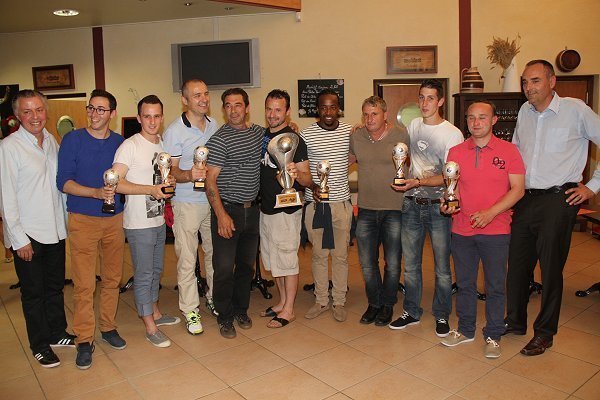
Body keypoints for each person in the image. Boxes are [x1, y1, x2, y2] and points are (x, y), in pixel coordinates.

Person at [505, 60, 600, 356]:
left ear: (551, 81)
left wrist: (592, 187)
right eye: (524, 82)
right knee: (518, 265)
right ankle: (515, 321)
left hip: (558, 200)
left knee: (550, 269)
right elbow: (517, 152)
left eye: (535, 81)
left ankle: (545, 333)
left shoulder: (576, 110)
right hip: (525, 198)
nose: (528, 88)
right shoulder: (524, 111)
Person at [440, 101, 525, 358]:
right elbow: (450, 189)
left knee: (495, 285)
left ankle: (494, 334)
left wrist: (491, 213)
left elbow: (518, 190)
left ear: (494, 120)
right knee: (465, 284)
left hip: (496, 229)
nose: (476, 123)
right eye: (471, 118)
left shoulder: (509, 151)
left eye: (482, 117)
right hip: (462, 228)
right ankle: (466, 329)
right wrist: (446, 204)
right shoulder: (455, 151)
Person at [57, 89, 129, 370]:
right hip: (83, 220)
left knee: (112, 279)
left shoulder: (121, 143)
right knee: (84, 284)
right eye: (91, 108)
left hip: (114, 220)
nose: (95, 114)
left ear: (112, 113)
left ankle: (108, 327)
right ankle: (84, 340)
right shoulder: (72, 140)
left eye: (101, 110)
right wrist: (95, 193)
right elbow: (64, 182)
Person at [0, 89, 73, 368]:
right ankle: (40, 344)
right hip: (28, 234)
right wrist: (19, 240)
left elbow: (57, 186)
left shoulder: (52, 140)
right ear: (17, 116)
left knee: (54, 287)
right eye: (27, 112)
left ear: (46, 112)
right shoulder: (9, 148)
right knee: (33, 293)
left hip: (54, 228)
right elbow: (6, 198)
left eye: (39, 110)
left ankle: (57, 332)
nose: (34, 116)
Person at [389, 79, 463, 336]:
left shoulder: (452, 134)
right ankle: (412, 311)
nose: (424, 103)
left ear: (441, 101)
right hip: (411, 205)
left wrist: (418, 181)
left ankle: (442, 315)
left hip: (438, 207)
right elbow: (401, 155)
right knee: (411, 265)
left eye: (430, 98)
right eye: (421, 97)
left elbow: (449, 175)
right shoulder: (413, 125)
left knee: (442, 268)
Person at [112, 95, 178, 348]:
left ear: (162, 117)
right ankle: (149, 325)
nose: (152, 121)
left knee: (157, 271)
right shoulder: (130, 146)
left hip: (158, 218)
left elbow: (161, 178)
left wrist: (166, 185)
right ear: (139, 118)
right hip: (139, 222)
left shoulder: (161, 144)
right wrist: (150, 190)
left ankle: (157, 313)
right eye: (147, 116)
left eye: (157, 116)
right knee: (144, 273)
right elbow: (116, 183)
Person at [205, 88, 263, 339]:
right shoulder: (219, 140)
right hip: (228, 210)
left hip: (253, 211)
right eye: (227, 106)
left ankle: (241, 310)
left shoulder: (258, 134)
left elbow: (283, 135)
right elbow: (210, 181)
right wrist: (221, 215)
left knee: (246, 267)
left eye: (237, 105)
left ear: (247, 107)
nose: (233, 110)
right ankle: (225, 316)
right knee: (224, 267)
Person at [163, 79, 217, 335]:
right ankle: (190, 310)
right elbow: (170, 171)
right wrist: (190, 174)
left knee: (215, 254)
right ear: (185, 100)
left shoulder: (214, 124)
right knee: (187, 259)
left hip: (212, 200)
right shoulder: (174, 131)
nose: (204, 99)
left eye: (205, 94)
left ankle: (213, 297)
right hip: (186, 203)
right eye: (197, 95)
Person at [349, 96, 409, 326]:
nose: (369, 118)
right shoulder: (357, 136)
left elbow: (412, 164)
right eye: (365, 114)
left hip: (394, 209)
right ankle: (374, 303)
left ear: (385, 115)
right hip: (365, 209)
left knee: (392, 263)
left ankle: (388, 304)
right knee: (367, 263)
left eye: (374, 114)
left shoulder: (400, 136)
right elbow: (347, 160)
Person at [258, 89, 311, 328]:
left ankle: (289, 309)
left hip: (286, 210)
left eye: (278, 110)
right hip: (265, 208)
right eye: (269, 109)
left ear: (287, 112)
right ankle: (281, 302)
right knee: (272, 260)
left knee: (287, 260)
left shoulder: (296, 140)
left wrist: (296, 174)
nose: (272, 114)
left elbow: (308, 179)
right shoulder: (262, 137)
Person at [301, 89, 353, 322]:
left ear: (338, 108)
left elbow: (355, 155)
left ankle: (339, 300)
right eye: (324, 107)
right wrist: (312, 185)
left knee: (341, 256)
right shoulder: (306, 135)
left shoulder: (349, 132)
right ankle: (321, 299)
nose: (328, 112)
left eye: (333, 107)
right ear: (317, 110)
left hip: (341, 205)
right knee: (319, 256)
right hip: (316, 207)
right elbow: (300, 169)